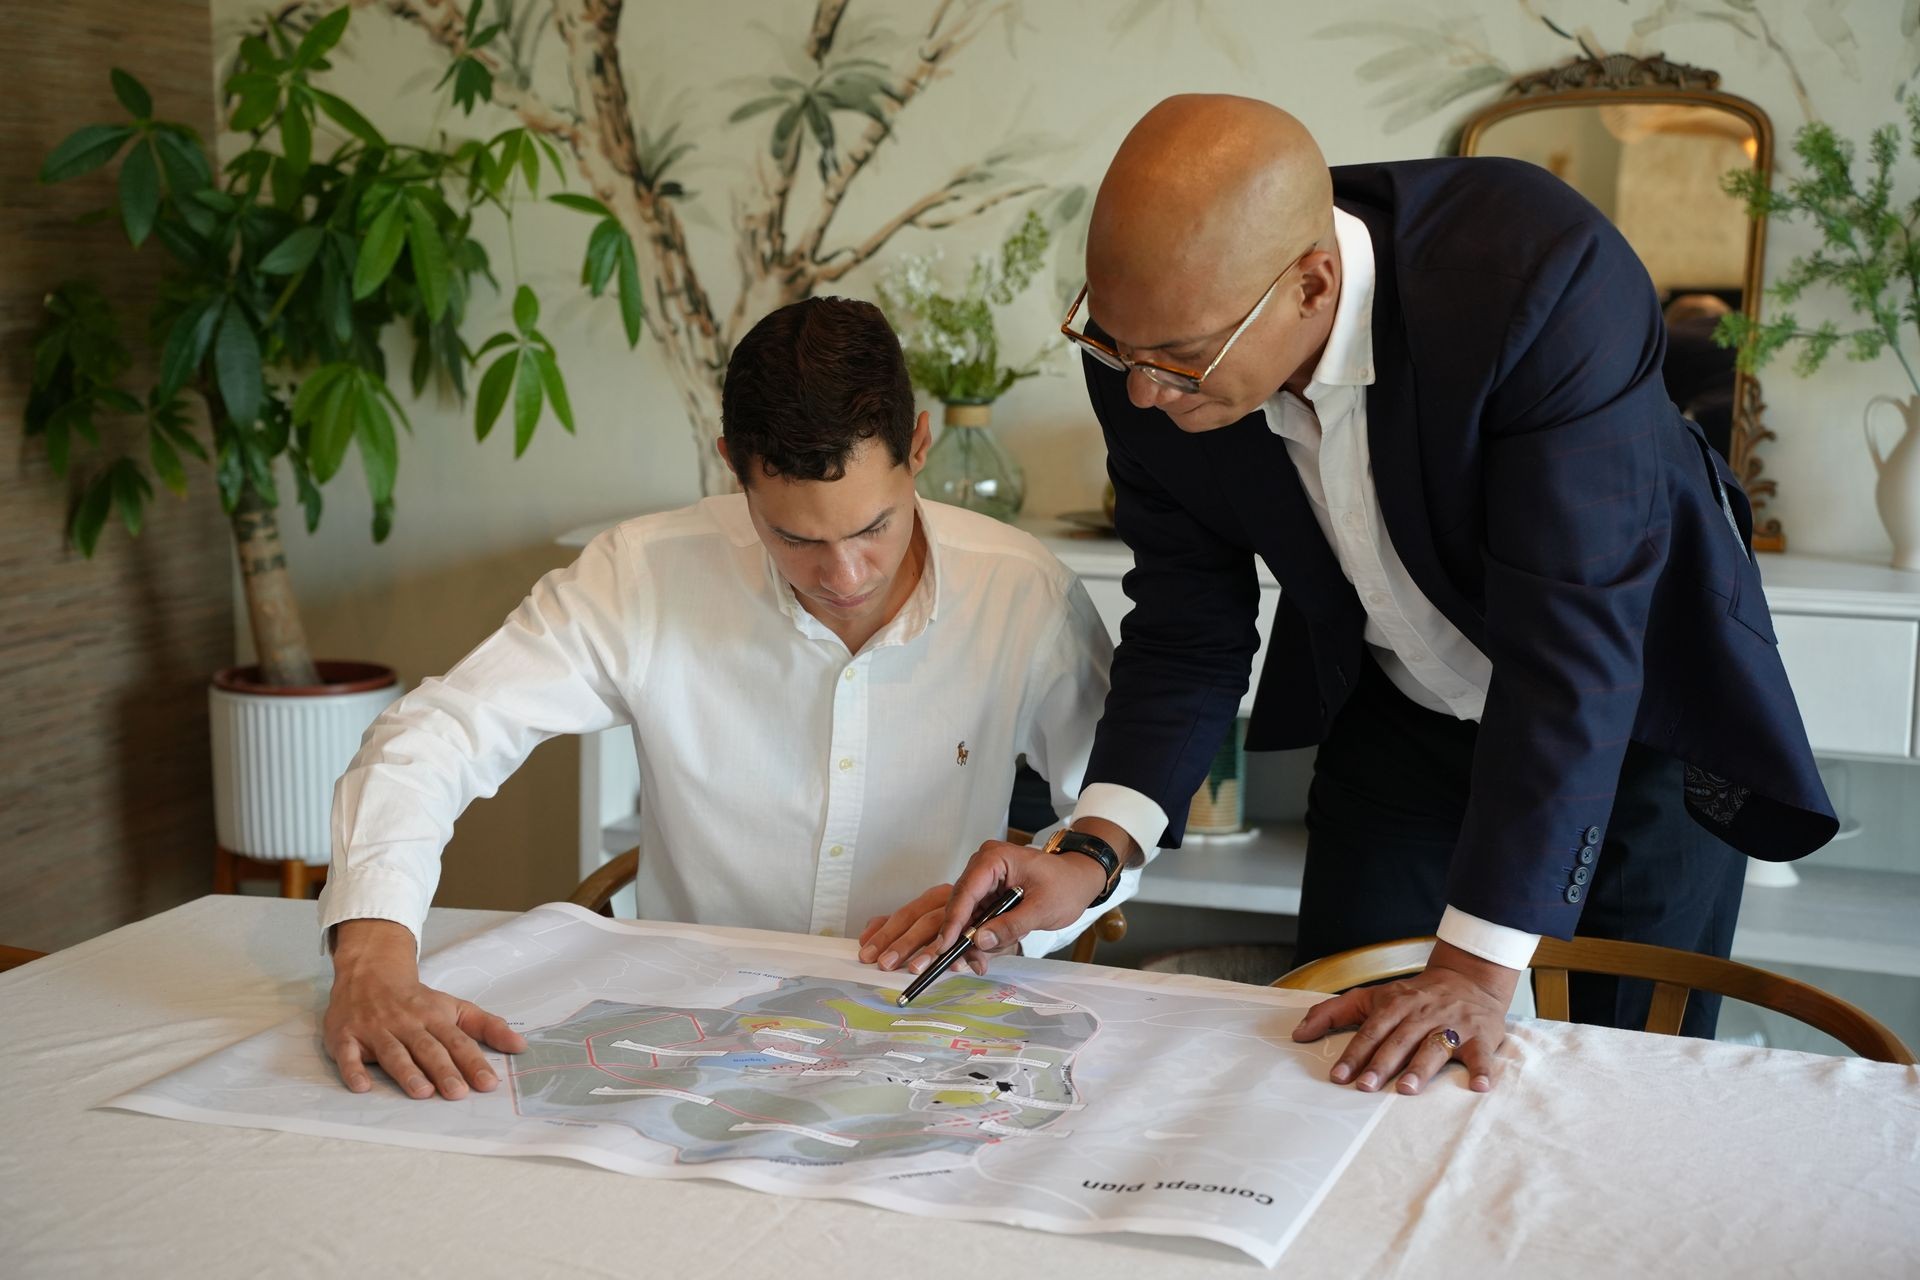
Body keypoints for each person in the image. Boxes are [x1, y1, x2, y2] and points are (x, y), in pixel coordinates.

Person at [884, 95, 1834, 1097]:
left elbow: (1575, 655)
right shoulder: (1152, 338)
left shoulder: (1537, 278)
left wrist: (1471, 970)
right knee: (1342, 1067)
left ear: (1311, 284)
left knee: (1615, 1090)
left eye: (1178, 359)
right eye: (1116, 346)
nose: (1142, 395)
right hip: (1400, 717)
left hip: (1626, 724)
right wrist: (1094, 847)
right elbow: (1187, 624)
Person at [317, 297, 1123, 1101]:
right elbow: (439, 733)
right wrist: (373, 957)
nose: (844, 577)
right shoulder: (642, 575)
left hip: (927, 1033)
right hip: (691, 1041)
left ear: (918, 448)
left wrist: (1016, 910)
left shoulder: (1021, 591)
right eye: (797, 540)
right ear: (733, 465)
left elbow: (1112, 816)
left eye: (874, 526)